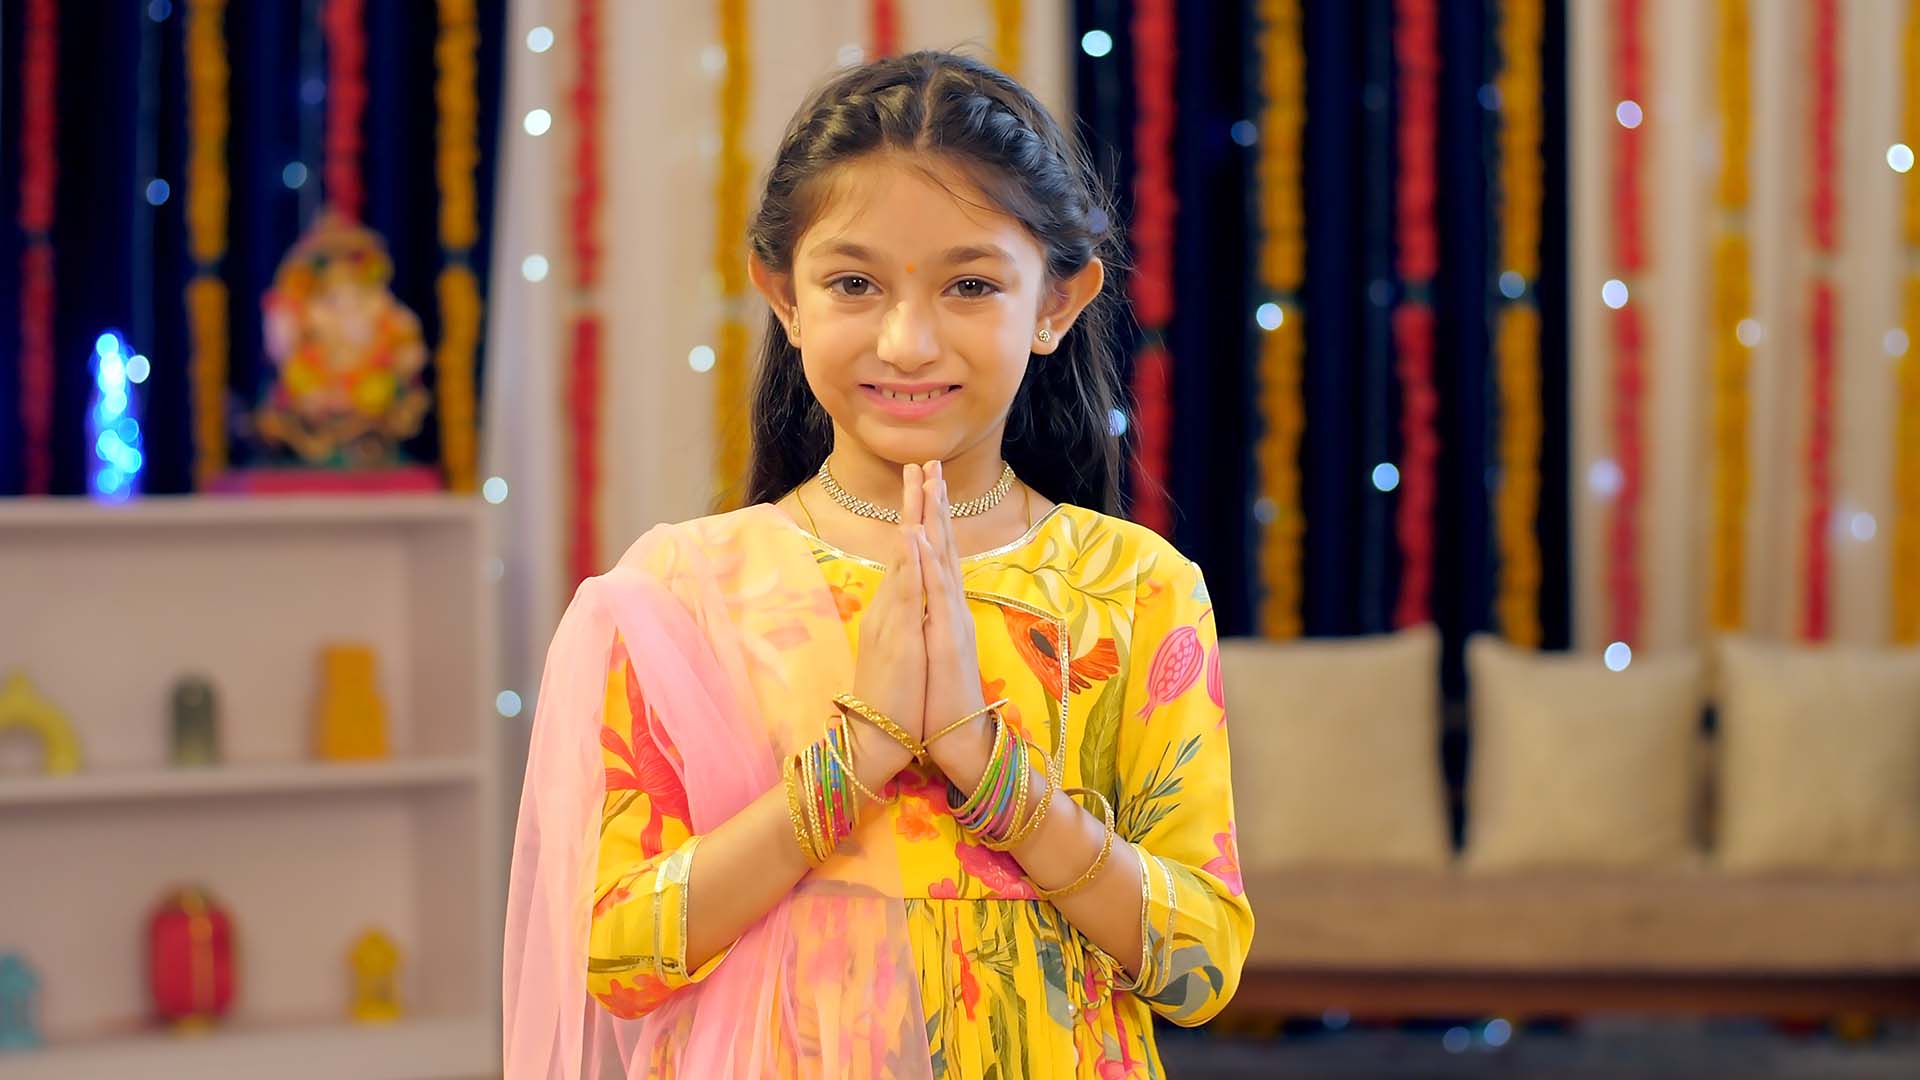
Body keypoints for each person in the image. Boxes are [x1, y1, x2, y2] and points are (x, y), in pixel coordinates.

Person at [504, 49, 1251, 1079]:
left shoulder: (1135, 588)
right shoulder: (681, 594)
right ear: (784, 295)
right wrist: (857, 758)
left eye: (970, 285)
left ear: (1057, 304)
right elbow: (616, 955)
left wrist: (988, 768)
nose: (906, 341)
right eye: (854, 283)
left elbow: (1201, 967)